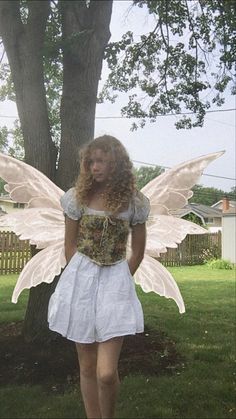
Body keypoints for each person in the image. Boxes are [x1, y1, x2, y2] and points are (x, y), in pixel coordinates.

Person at [47, 134, 150, 419]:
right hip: (81, 280)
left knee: (106, 372)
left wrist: (119, 279)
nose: (94, 167)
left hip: (115, 282)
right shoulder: (77, 198)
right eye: (90, 161)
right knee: (87, 367)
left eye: (102, 161)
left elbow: (138, 252)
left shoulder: (134, 203)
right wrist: (78, 277)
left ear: (117, 163)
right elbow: (70, 245)